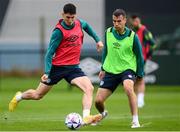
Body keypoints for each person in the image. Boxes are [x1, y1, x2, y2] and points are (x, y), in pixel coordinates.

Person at [9, 3, 104, 125]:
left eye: (72, 17)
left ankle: (86, 117)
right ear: (62, 15)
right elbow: (49, 53)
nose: (70, 20)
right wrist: (47, 72)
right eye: (67, 17)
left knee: (89, 88)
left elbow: (88, 27)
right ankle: (18, 97)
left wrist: (98, 40)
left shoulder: (79, 23)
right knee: (38, 95)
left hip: (73, 68)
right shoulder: (59, 31)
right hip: (57, 68)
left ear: (75, 16)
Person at [94, 9, 144, 128]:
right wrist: (103, 68)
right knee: (98, 101)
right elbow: (106, 50)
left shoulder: (132, 36)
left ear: (125, 20)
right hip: (111, 71)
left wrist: (140, 74)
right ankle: (103, 113)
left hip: (127, 69)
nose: (116, 24)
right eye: (114, 21)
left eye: (119, 21)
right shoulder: (108, 32)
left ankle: (135, 120)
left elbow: (139, 56)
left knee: (128, 88)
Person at [130, 14, 156, 108]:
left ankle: (140, 100)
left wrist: (148, 54)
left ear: (139, 20)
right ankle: (136, 99)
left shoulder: (144, 30)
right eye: (134, 21)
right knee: (134, 79)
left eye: (137, 21)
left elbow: (153, 43)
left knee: (140, 78)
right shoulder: (133, 31)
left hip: (141, 59)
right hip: (132, 59)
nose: (135, 23)